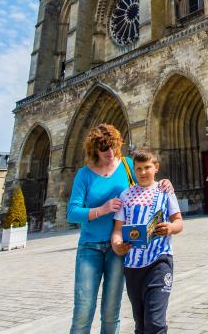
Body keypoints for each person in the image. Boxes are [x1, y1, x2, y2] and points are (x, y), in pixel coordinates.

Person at [67, 124, 171, 334]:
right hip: (90, 247)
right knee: (83, 309)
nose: (110, 152)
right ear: (95, 148)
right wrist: (101, 209)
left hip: (120, 247)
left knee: (111, 312)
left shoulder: (127, 165)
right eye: (105, 148)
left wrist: (164, 184)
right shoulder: (84, 174)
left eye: (113, 146)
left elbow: (147, 177)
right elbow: (72, 212)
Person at [111, 148, 183, 334]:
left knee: (155, 322)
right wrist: (117, 245)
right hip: (133, 266)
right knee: (141, 324)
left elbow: (178, 222)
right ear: (133, 170)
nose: (143, 173)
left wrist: (171, 228)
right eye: (138, 169)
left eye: (147, 167)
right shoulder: (125, 196)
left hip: (160, 260)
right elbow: (118, 230)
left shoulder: (165, 191)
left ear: (156, 167)